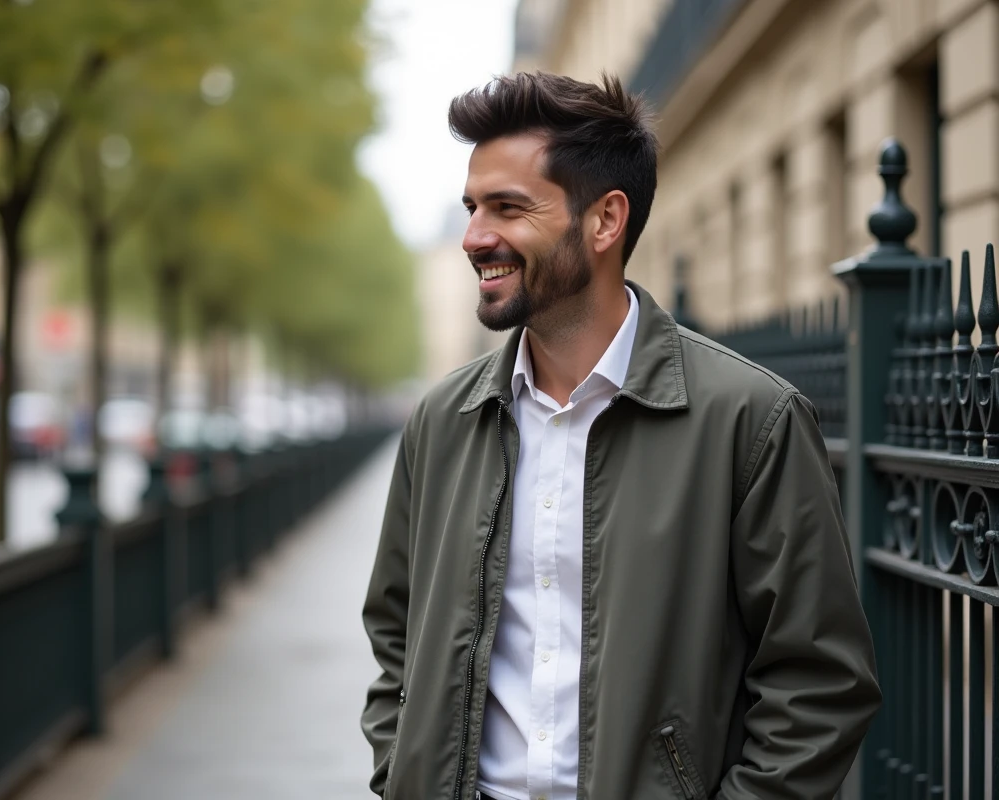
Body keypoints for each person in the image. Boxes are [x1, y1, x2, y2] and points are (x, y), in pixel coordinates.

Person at [360, 72, 880, 800]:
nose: (476, 237)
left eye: (508, 207)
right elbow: (395, 634)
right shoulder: (443, 421)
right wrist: (403, 771)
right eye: (472, 208)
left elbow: (820, 683)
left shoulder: (749, 419)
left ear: (605, 221)